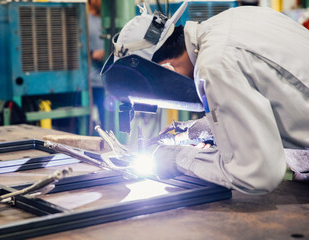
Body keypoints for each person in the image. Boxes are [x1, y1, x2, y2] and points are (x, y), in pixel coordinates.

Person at [109, 1, 309, 194]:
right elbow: (271, 94)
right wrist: (202, 128)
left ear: (167, 68)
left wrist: (178, 157)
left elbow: (257, 175)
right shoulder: (234, 19)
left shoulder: (214, 64)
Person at [88, 0, 106, 128]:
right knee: (86, 121)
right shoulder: (84, 20)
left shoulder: (108, 20)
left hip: (105, 79)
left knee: (107, 120)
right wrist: (91, 53)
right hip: (89, 80)